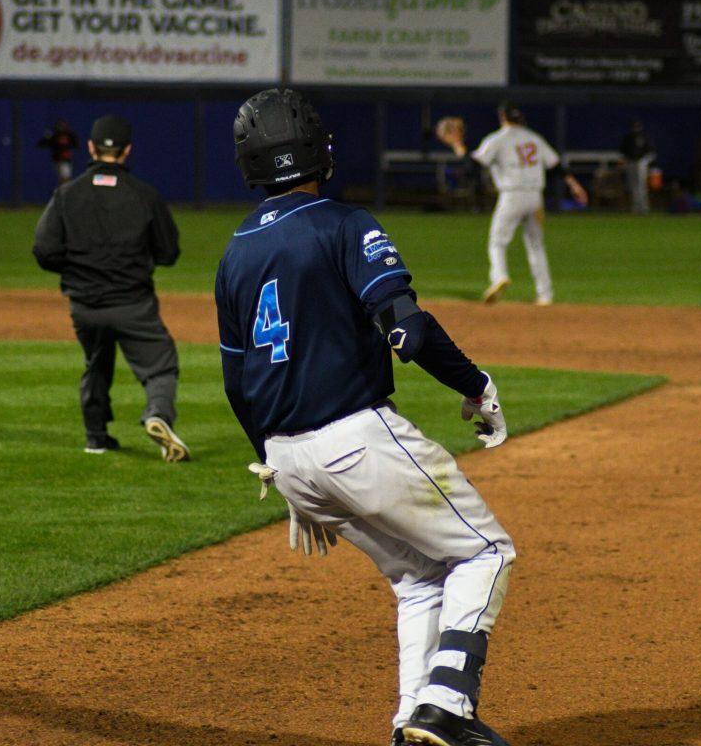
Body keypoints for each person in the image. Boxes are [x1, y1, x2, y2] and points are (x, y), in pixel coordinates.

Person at [216, 88, 515, 746]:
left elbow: (239, 381)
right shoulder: (343, 223)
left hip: (288, 461)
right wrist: (475, 385)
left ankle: (413, 725)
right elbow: (408, 329)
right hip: (354, 439)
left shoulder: (235, 254)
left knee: (418, 577)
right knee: (486, 552)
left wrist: (274, 460)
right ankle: (446, 702)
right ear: (320, 149)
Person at [32, 114, 190, 461]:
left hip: (85, 305)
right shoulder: (145, 196)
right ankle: (158, 415)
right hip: (132, 303)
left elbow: (44, 250)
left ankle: (96, 437)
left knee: (96, 363)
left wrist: (78, 266)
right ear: (127, 150)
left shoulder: (66, 194)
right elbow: (168, 252)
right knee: (161, 366)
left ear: (90, 147)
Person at [436, 101, 587, 306]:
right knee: (536, 245)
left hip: (512, 196)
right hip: (535, 198)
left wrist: (458, 145)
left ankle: (500, 277)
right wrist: (575, 185)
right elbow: (556, 166)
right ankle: (545, 295)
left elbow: (472, 168)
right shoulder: (534, 138)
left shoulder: (497, 139)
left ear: (503, 118)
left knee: (497, 242)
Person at [620, 119, 656, 213]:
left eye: (637, 126)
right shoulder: (629, 137)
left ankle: (644, 207)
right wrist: (626, 161)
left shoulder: (644, 136)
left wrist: (645, 161)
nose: (636, 128)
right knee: (633, 185)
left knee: (642, 185)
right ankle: (635, 207)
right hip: (631, 162)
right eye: (634, 126)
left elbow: (651, 152)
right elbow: (623, 151)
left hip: (641, 162)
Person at [37, 119, 78, 185]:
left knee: (66, 179)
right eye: (59, 126)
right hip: (58, 161)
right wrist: (46, 137)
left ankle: (66, 193)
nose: (61, 127)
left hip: (66, 161)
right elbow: (42, 144)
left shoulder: (68, 135)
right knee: (62, 179)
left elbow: (75, 144)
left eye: (62, 125)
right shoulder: (55, 136)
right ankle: (63, 193)